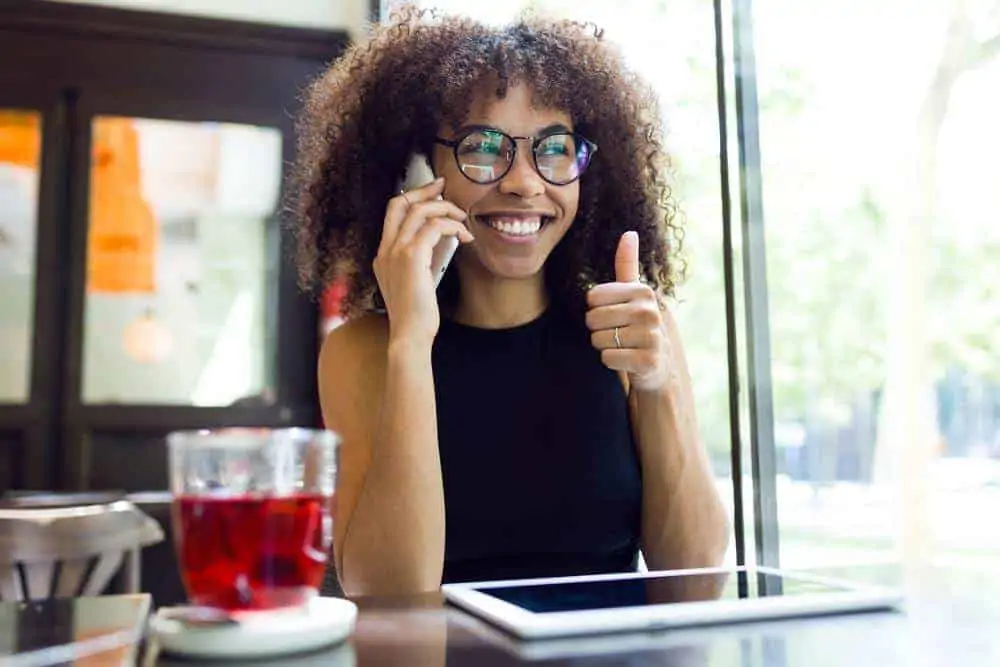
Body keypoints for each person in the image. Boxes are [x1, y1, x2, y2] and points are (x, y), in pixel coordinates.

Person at [292, 5, 731, 597]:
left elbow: (697, 580)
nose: (525, 181)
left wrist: (658, 387)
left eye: (553, 148)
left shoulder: (629, 331)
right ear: (419, 169)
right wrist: (412, 342)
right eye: (484, 145)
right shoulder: (365, 351)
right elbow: (388, 595)